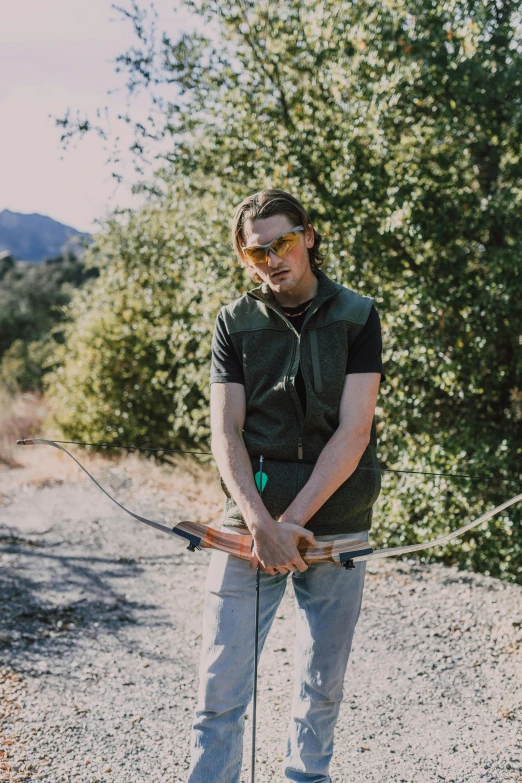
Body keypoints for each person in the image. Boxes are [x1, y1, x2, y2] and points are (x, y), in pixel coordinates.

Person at [187, 189, 385, 783]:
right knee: (219, 688)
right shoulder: (234, 321)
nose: (272, 259)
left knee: (321, 685)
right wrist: (261, 526)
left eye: (283, 243)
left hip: (338, 523)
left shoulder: (358, 313)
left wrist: (290, 526)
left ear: (309, 238)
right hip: (248, 528)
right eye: (256, 252)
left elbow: (353, 433)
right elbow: (225, 432)